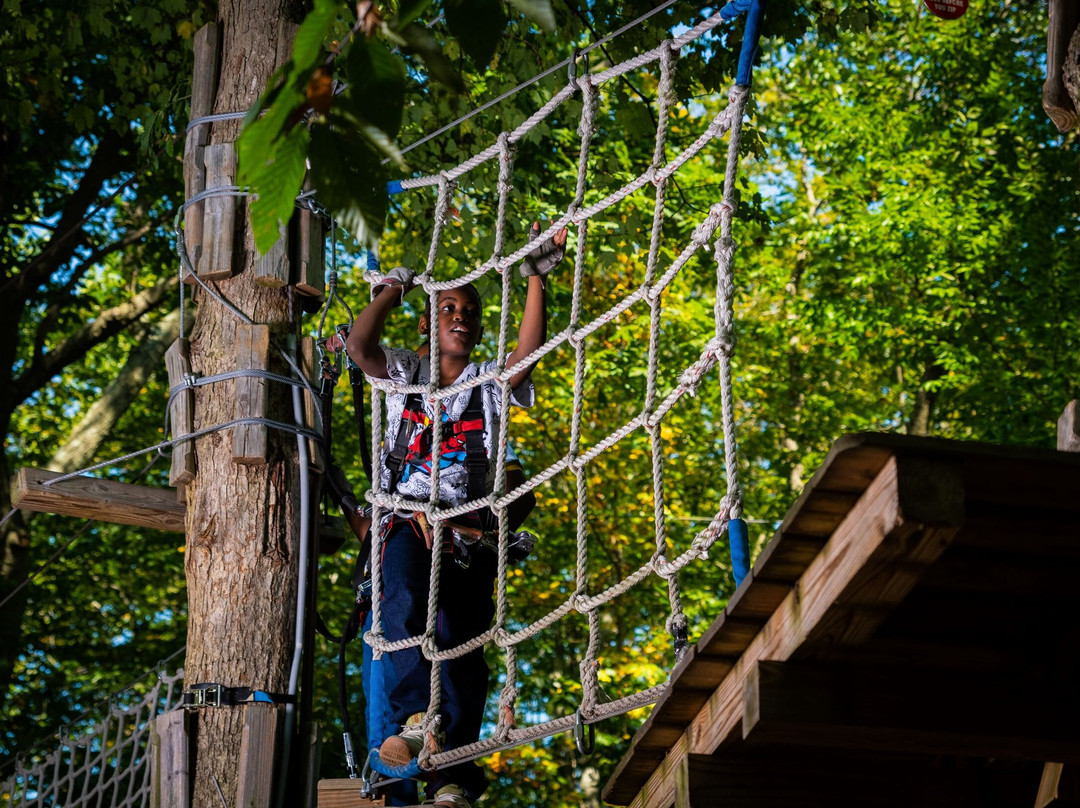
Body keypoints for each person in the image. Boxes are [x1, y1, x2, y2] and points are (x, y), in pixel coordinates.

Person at [344, 222, 567, 808]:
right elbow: (360, 348)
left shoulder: (488, 385)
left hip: (467, 527)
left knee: (466, 645)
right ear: (427, 324)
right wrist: (391, 290)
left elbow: (527, 356)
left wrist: (536, 282)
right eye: (447, 308)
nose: (460, 317)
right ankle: (412, 720)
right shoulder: (403, 376)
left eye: (469, 309)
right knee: (403, 607)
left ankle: (455, 774)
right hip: (407, 519)